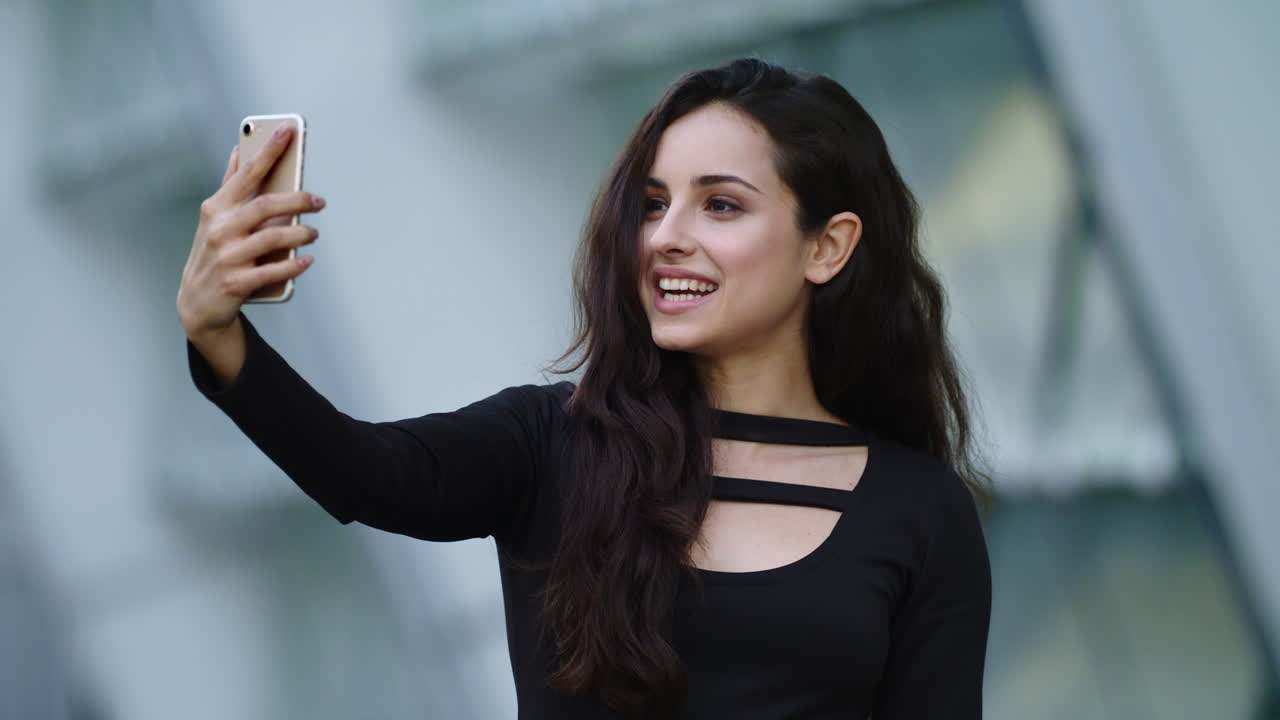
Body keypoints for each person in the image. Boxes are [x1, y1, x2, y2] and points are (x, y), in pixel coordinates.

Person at [177, 57, 992, 719]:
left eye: (720, 205)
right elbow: (366, 471)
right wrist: (217, 332)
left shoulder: (921, 512)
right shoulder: (550, 444)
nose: (667, 239)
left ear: (828, 247)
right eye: (652, 203)